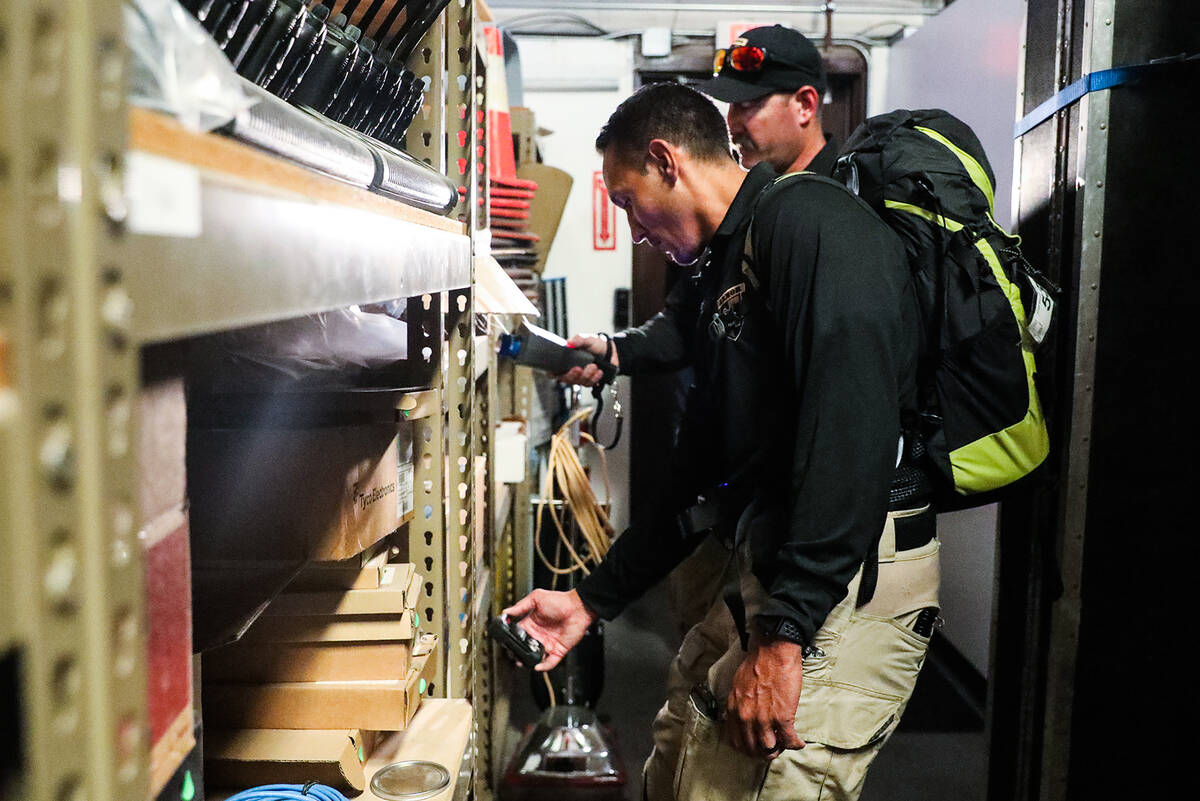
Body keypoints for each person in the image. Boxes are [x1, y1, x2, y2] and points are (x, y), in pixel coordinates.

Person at [503, 82, 939, 801]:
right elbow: (697, 473)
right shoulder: (720, 269)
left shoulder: (811, 227)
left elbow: (850, 436)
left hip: (847, 571)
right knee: (675, 764)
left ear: (665, 159)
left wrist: (784, 636)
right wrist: (590, 600)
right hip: (772, 559)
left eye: (626, 201)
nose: (633, 229)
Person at [710, 24, 839, 176]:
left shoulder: (846, 193)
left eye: (746, 104)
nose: (732, 125)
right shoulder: (766, 189)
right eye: (732, 105)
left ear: (805, 105)